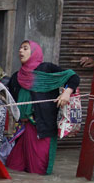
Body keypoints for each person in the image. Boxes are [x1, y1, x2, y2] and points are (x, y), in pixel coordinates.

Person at [5, 40, 80, 175]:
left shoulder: (46, 68)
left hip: (43, 128)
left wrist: (67, 92)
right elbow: (9, 99)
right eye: (20, 48)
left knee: (38, 171)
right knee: (13, 167)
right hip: (21, 129)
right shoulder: (17, 77)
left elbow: (72, 76)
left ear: (34, 52)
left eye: (25, 48)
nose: (20, 51)